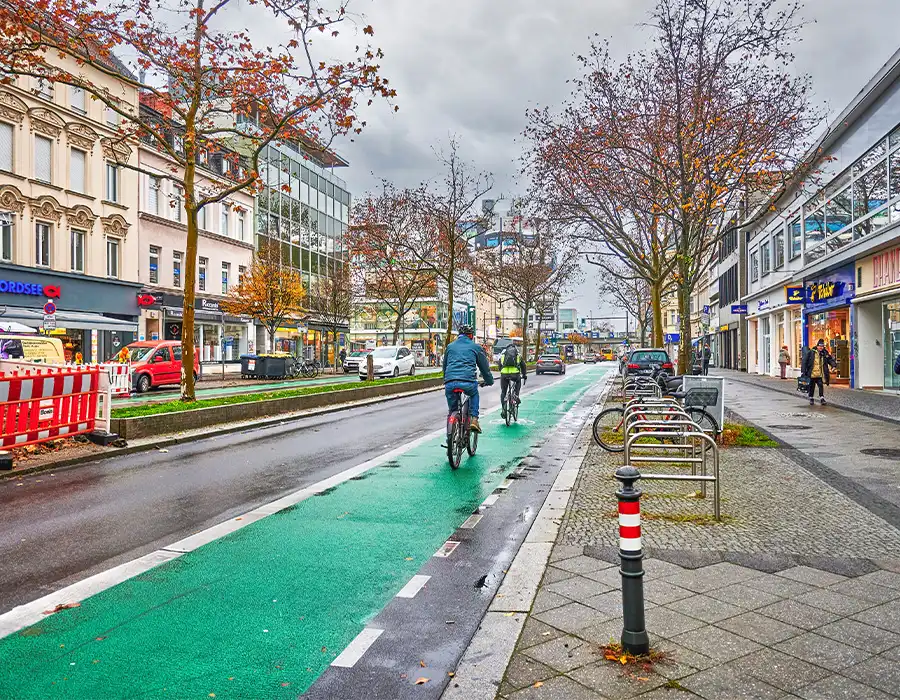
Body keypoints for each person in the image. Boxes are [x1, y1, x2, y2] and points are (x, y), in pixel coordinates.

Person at [443, 324, 494, 433]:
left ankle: (450, 438)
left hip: (450, 382)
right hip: (468, 382)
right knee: (474, 393)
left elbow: (445, 366)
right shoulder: (476, 347)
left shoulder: (450, 347)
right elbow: (484, 368)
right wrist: (489, 381)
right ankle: (474, 419)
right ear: (471, 336)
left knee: (452, 410)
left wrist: (446, 380)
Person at [801, 338, 836, 406]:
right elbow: (804, 362)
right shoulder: (811, 352)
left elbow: (830, 359)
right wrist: (803, 371)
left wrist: (833, 365)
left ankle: (822, 398)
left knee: (820, 385)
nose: (821, 348)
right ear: (817, 346)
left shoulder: (824, 353)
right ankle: (811, 398)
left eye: (822, 346)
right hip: (812, 373)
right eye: (820, 346)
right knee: (812, 386)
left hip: (820, 373)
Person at [499, 342, 527, 419]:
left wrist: (502, 371)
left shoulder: (503, 355)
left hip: (504, 374)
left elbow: (499, 365)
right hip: (515, 374)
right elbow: (523, 365)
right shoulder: (518, 354)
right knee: (518, 382)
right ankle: (516, 396)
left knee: (503, 392)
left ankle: (503, 409)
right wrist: (524, 375)